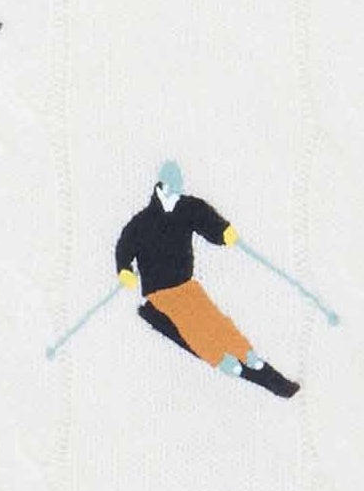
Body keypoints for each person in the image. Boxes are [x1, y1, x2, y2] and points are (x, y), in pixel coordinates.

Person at [112, 162, 298, 397]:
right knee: (191, 325)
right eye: (171, 188)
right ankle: (220, 358)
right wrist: (125, 270)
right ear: (160, 187)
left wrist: (223, 232)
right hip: (160, 291)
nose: (176, 194)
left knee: (212, 317)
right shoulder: (142, 222)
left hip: (186, 284)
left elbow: (206, 220)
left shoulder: (187, 207)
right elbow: (125, 246)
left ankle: (246, 353)